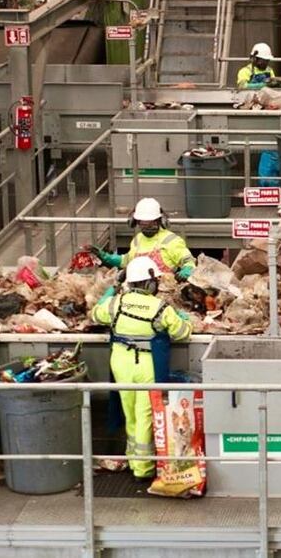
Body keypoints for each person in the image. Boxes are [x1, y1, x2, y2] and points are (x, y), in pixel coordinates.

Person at [90, 257, 192, 481]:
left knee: (129, 411)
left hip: (120, 362)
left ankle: (132, 457)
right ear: (149, 284)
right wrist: (184, 319)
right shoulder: (160, 307)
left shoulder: (116, 302)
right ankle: (144, 468)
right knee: (145, 413)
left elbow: (95, 314)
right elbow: (183, 333)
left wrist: (113, 289)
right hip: (147, 364)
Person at [92, 197, 196, 281]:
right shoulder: (138, 239)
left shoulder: (171, 240)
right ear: (136, 222)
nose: (148, 228)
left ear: (160, 221)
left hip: (163, 289)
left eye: (151, 223)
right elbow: (126, 260)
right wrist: (106, 257)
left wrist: (187, 270)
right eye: (143, 224)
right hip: (136, 287)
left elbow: (189, 261)